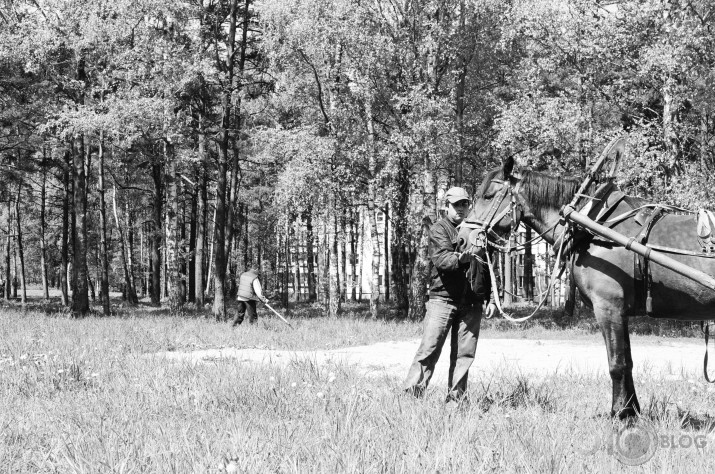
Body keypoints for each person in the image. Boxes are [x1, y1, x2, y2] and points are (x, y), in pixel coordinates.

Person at [404, 186, 498, 405]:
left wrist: (491, 298)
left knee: (464, 355)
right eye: (456, 205)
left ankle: (456, 402)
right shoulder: (440, 229)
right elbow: (442, 260)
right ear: (446, 207)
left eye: (464, 204)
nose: (461, 209)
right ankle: (411, 398)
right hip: (442, 299)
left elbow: (490, 267)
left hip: (472, 302)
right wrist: (461, 259)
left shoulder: (479, 230)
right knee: (429, 349)